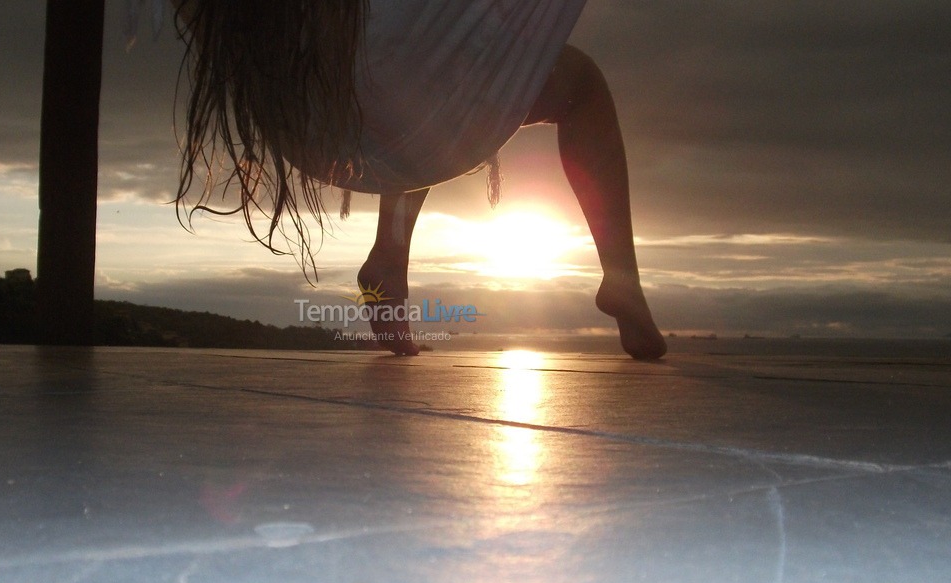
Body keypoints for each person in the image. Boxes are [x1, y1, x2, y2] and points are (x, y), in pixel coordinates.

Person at [171, 0, 666, 360]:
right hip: (376, 69)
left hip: (306, 87)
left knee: (427, 68)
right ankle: (623, 280)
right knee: (577, 85)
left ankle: (390, 256)